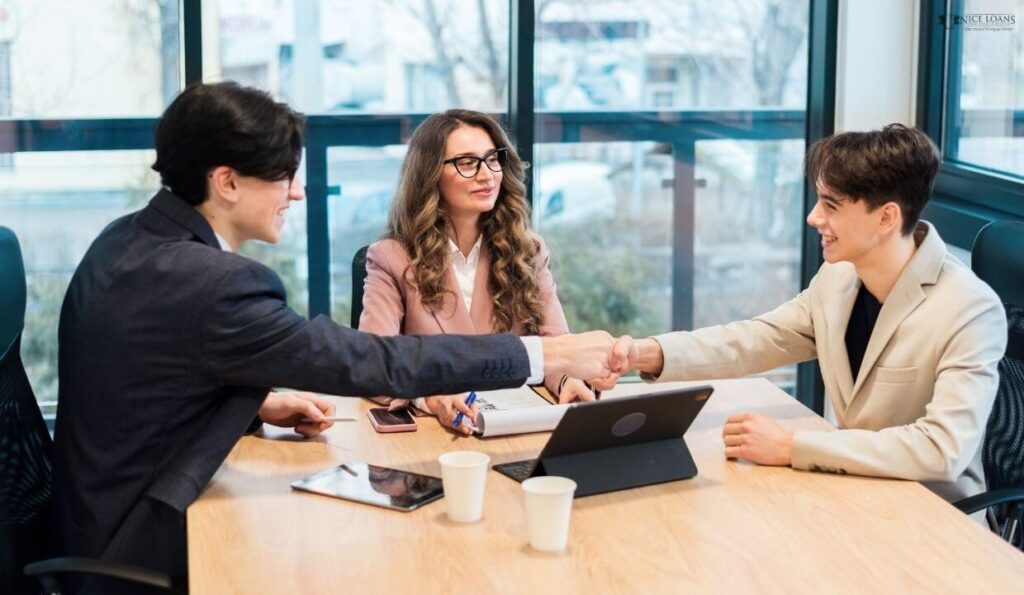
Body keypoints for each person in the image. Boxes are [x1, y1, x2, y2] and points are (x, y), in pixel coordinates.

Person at [52, 82, 621, 593]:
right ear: (226, 182)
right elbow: (364, 361)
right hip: (142, 537)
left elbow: (152, 379)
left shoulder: (130, 240)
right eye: (283, 176)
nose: (295, 194)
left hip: (96, 512)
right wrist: (544, 353)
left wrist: (259, 403)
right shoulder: (213, 282)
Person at [613, 124, 1007, 515]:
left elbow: (942, 450)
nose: (813, 217)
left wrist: (790, 446)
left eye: (830, 205)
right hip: (857, 495)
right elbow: (758, 339)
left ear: (886, 218)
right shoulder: (839, 278)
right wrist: (643, 353)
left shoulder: (969, 309)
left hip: (935, 520)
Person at [359, 109, 605, 433]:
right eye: (467, 163)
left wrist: (568, 381)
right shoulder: (391, 258)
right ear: (430, 173)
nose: (487, 174)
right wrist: (430, 397)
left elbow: (555, 342)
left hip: (517, 427)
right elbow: (373, 365)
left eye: (492, 159)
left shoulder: (527, 251)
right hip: (436, 437)